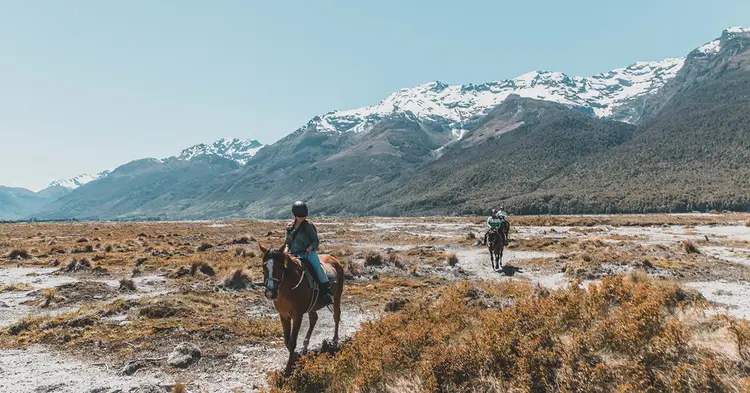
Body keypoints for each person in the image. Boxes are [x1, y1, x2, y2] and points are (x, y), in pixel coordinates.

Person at [285, 201, 334, 305]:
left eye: (303, 216)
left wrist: (311, 248)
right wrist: (285, 251)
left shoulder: (308, 226)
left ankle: (327, 292)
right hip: (293, 254)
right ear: (294, 215)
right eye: (299, 216)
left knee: (318, 268)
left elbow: (315, 241)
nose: (302, 218)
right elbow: (288, 242)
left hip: (307, 253)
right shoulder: (290, 227)